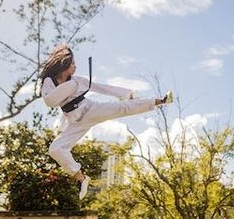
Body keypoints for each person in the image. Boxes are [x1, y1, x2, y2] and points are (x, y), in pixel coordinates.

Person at [40, 44, 173, 199]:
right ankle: (81, 178)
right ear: (65, 64)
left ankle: (160, 100)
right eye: (73, 63)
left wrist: (127, 93)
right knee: (55, 149)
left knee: (121, 108)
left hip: (90, 111)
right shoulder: (50, 81)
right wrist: (71, 85)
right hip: (75, 121)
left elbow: (101, 88)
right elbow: (50, 101)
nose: (75, 66)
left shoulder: (77, 80)